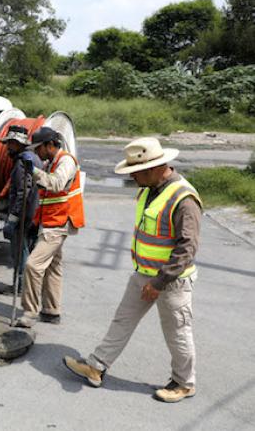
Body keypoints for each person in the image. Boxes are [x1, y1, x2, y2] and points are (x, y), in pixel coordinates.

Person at [63, 137, 202, 403]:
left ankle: (184, 383)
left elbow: (187, 248)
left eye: (134, 172)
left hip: (171, 282)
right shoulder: (150, 189)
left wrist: (159, 282)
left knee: (177, 333)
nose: (132, 178)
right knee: (122, 320)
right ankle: (96, 366)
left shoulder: (184, 198)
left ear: (153, 168)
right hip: (143, 274)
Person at [16, 126, 85, 327]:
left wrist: (34, 171)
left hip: (59, 222)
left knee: (33, 265)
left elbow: (56, 185)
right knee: (53, 267)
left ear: (49, 145)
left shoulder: (66, 161)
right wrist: (34, 222)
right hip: (51, 220)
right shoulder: (52, 162)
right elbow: (45, 197)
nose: (37, 152)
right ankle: (51, 311)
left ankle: (29, 313)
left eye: (39, 148)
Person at [0, 125, 42, 286]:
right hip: (33, 213)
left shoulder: (22, 162)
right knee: (26, 250)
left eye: (10, 143)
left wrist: (12, 219)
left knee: (20, 252)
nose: (7, 147)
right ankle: (22, 285)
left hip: (24, 215)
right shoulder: (34, 157)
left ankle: (20, 287)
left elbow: (22, 193)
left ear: (18, 144)